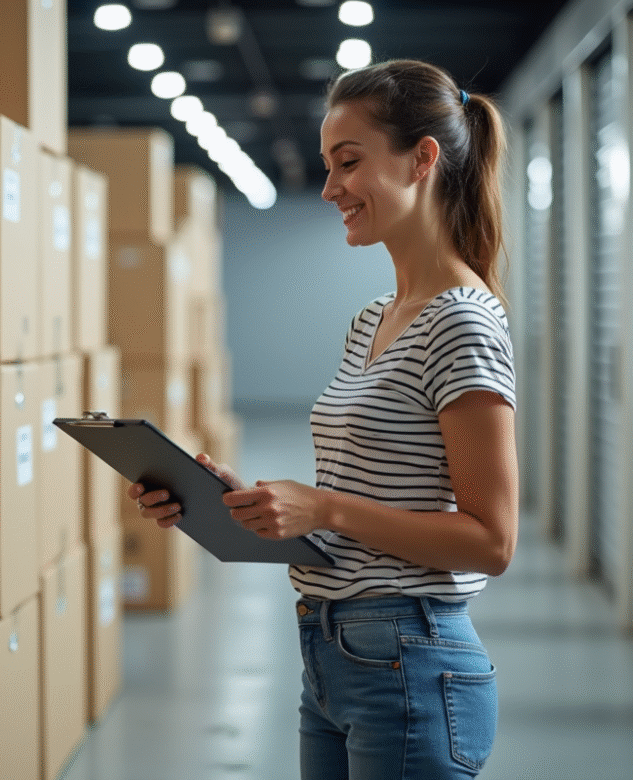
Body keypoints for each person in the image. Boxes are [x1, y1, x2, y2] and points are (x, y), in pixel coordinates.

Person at [129, 58, 518, 780]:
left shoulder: (461, 324)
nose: (332, 187)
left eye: (348, 162)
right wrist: (233, 501)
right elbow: (370, 496)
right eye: (328, 165)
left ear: (421, 159)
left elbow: (491, 540)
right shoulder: (373, 318)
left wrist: (324, 507)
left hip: (408, 656)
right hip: (331, 650)